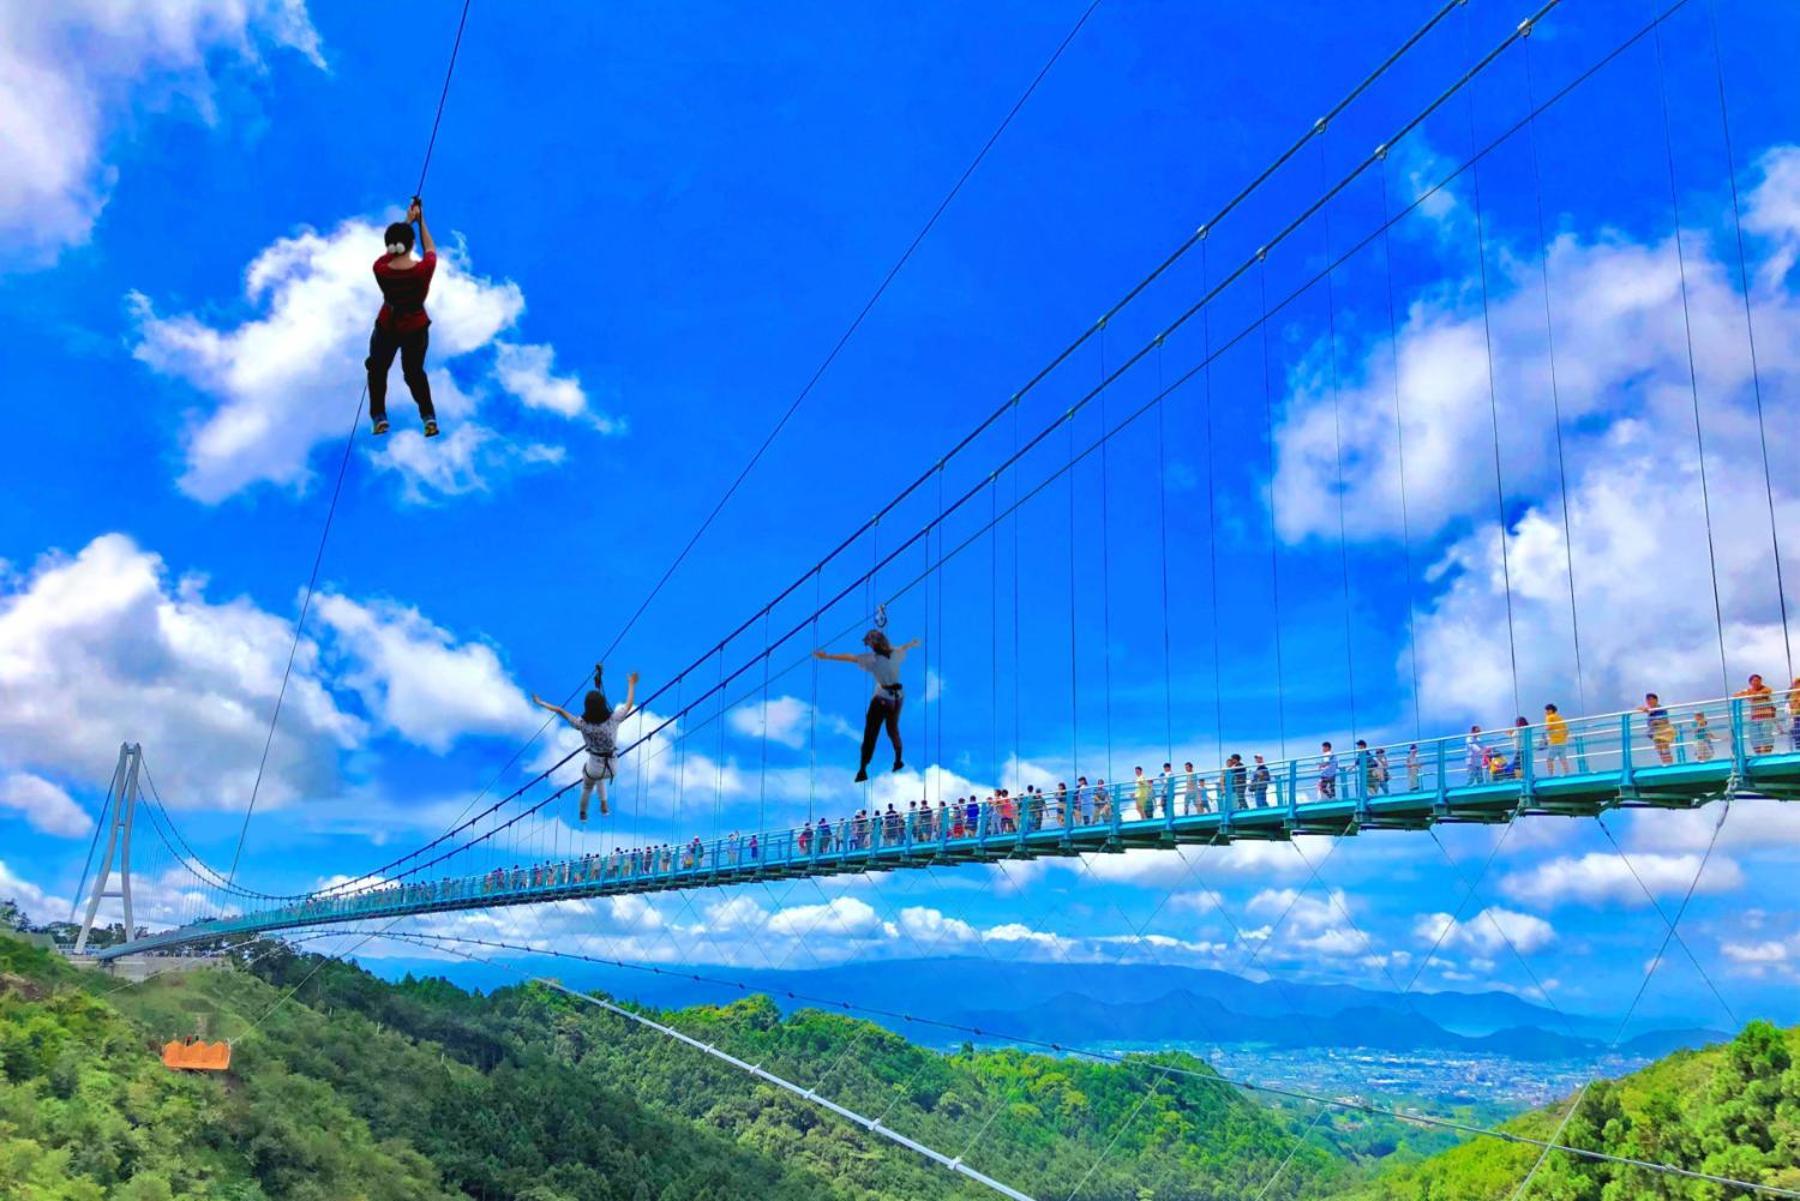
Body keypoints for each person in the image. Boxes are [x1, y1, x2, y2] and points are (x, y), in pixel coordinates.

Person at [367, 197, 440, 437]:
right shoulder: (423, 270)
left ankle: (379, 417)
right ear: (411, 244)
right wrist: (420, 221)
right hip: (415, 328)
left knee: (377, 369)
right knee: (414, 373)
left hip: (388, 324)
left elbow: (390, 253)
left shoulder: (381, 269)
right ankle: (428, 417)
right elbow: (430, 249)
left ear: (389, 245)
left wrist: (407, 222)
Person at [532, 667, 638, 820]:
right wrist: (631, 684)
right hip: (613, 768)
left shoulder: (582, 724)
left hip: (594, 767)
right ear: (603, 706)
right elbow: (628, 704)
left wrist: (540, 702)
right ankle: (604, 805)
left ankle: (583, 813)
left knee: (588, 786)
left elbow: (559, 710)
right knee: (600, 777)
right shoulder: (614, 719)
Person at [816, 630, 921, 781]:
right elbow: (903, 648)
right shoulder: (895, 653)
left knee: (871, 734)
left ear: (874, 644)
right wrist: (912, 644)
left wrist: (827, 656)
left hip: (883, 699)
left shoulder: (872, 659)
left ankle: (862, 769)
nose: (869, 646)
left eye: (869, 643)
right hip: (898, 697)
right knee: (893, 730)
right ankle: (898, 761)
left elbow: (851, 657)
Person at [1737, 673, 1778, 754]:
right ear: (1750, 682)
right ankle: (1758, 753)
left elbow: (1766, 692)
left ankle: (1767, 753)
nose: (1757, 682)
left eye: (1759, 680)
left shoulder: (1765, 689)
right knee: (1754, 736)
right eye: (1755, 681)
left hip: (1766, 716)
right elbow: (1736, 695)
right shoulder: (1749, 691)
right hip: (1754, 718)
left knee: (1766, 735)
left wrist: (1751, 695)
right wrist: (1748, 694)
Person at [1640, 693, 1675, 766]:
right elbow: (1639, 708)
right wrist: (1646, 710)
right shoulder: (1650, 710)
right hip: (1655, 732)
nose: (1648, 701)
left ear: (1656, 700)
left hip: (1663, 730)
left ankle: (1669, 764)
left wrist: (1655, 721)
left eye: (1650, 699)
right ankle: (1665, 763)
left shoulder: (1660, 709)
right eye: (1647, 700)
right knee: (1659, 749)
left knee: (1664, 747)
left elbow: (1665, 720)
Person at [1543, 703, 1570, 777]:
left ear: (1550, 710)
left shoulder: (1549, 717)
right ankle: (1567, 774)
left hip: (1554, 742)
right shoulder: (1560, 718)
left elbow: (1549, 727)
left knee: (1549, 760)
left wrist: (1545, 732)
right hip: (1563, 742)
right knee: (1563, 759)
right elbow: (1567, 731)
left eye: (1546, 710)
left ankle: (1550, 775)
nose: (1545, 712)